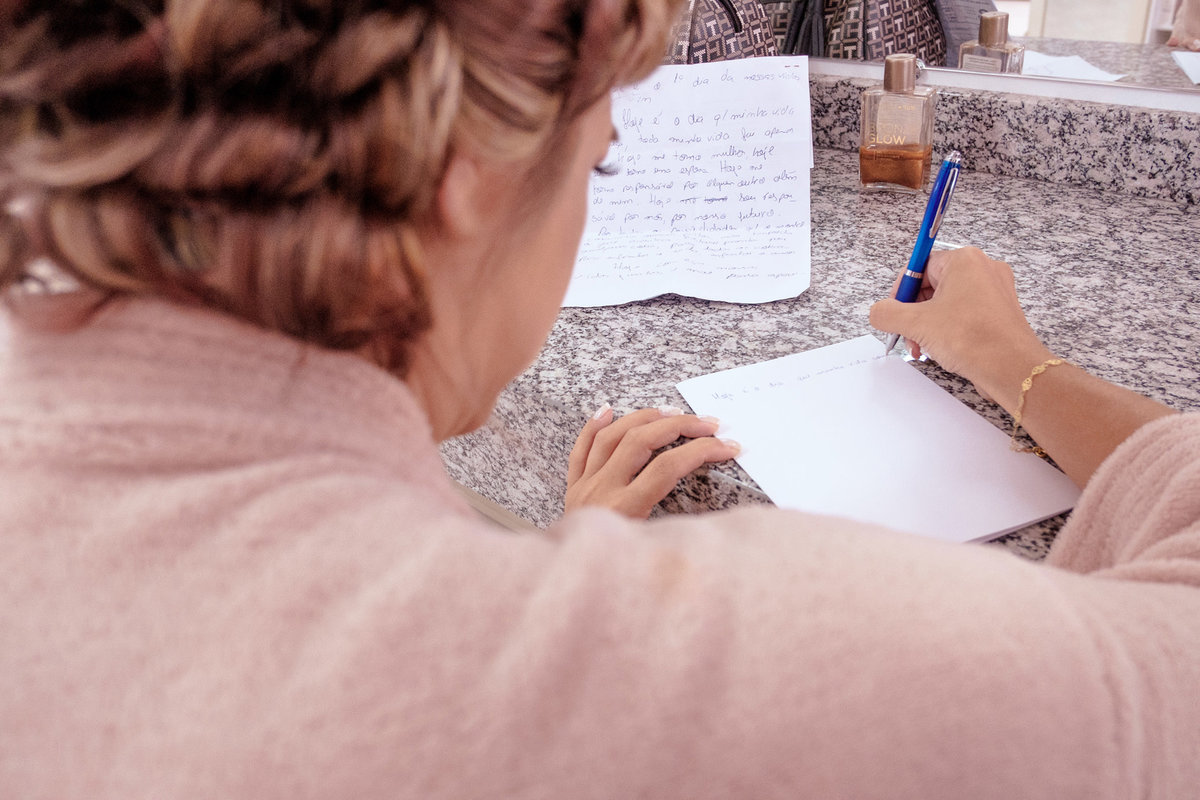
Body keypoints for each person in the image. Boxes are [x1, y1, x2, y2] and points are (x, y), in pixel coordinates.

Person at [1, 2, 1198, 798]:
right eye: (600, 155)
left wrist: (577, 548)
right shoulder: (733, 668)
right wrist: (1017, 363)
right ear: (456, 174)